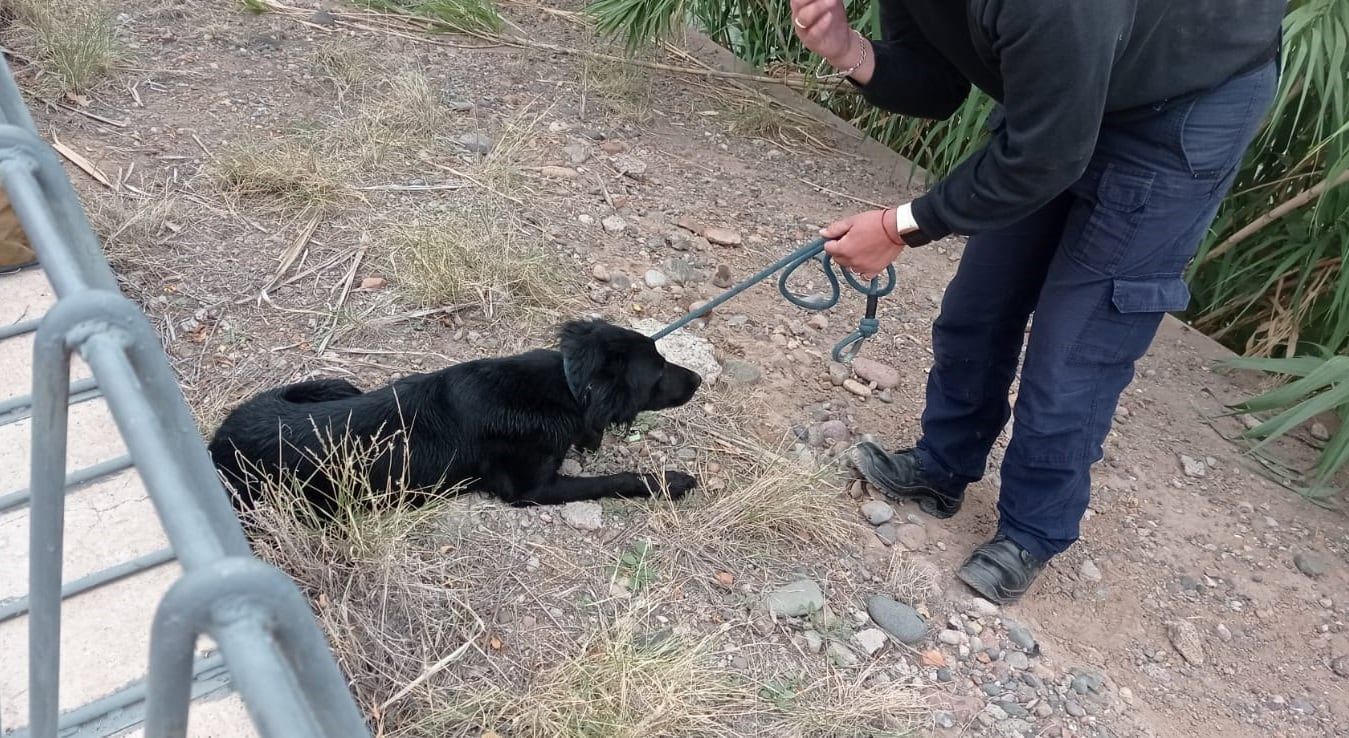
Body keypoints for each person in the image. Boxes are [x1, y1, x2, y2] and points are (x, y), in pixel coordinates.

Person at [790, 0, 1285, 604]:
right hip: (1074, 76)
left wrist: (899, 226)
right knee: (978, 308)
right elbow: (938, 80)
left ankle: (1032, 529)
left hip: (1183, 102)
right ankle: (942, 468)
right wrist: (849, 51)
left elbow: (1044, 156)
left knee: (1075, 350)